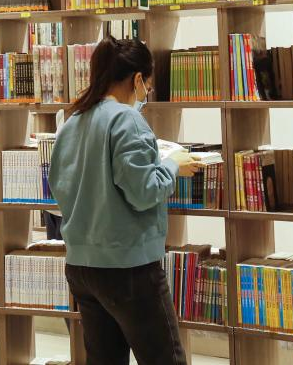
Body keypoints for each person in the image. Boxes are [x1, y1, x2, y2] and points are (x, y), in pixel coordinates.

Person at [49, 37, 202, 365]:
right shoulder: (126, 120)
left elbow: (59, 187)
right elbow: (144, 192)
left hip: (81, 266)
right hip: (128, 267)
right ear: (137, 79)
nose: (147, 91)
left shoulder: (72, 121)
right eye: (148, 83)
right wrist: (173, 165)